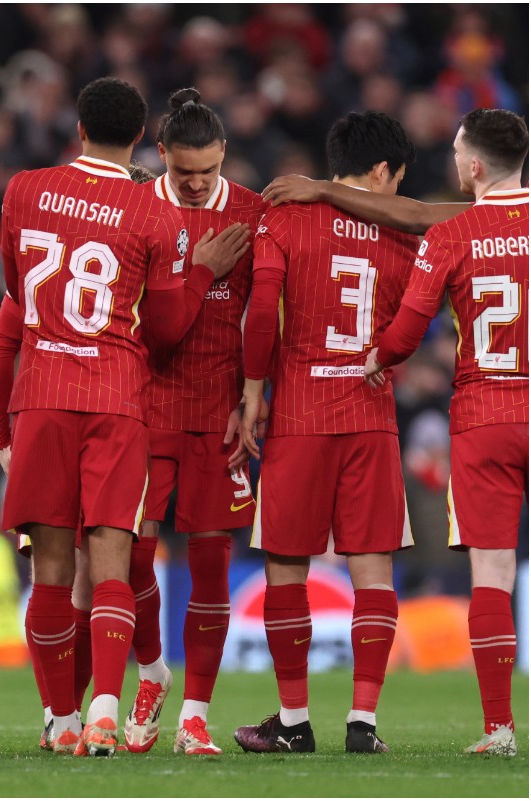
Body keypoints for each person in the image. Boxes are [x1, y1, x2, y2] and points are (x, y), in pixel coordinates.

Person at [0, 76, 245, 757]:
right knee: (113, 560)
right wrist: (198, 274)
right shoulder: (152, 215)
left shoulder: (22, 189)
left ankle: (61, 718)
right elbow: (165, 328)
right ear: (144, 139)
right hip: (117, 398)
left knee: (51, 570)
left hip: (42, 391)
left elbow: (18, 291)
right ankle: (105, 707)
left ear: (78, 128)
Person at [233, 111, 420, 755]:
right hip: (373, 415)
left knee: (287, 567)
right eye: (398, 179)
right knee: (373, 570)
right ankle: (363, 724)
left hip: (300, 416)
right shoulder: (404, 232)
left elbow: (262, 313)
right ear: (382, 170)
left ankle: (293, 721)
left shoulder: (284, 218)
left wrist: (253, 391)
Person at [363, 108, 527, 757]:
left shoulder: (452, 235)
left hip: (486, 417)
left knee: (494, 574)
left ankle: (499, 729)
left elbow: (404, 336)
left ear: (477, 165)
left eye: (459, 153)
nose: (455, 162)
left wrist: (371, 360)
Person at [125, 87, 260, 757]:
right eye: (186, 173)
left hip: (220, 413)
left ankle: (196, 716)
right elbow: (156, 333)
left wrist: (255, 394)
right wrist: (202, 272)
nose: (200, 184)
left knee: (211, 565)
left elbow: (266, 316)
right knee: (132, 555)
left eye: (209, 171)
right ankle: (152, 671)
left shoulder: (252, 212)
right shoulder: (136, 212)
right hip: (149, 404)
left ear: (224, 156)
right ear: (161, 156)